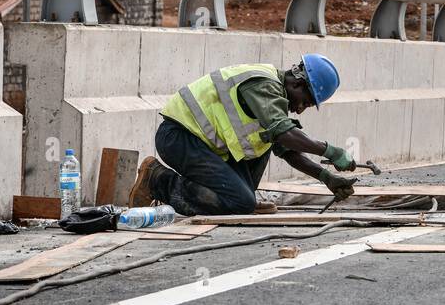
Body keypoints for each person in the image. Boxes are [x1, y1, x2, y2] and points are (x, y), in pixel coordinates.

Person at [127, 55, 357, 216]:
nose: (299, 109)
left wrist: (326, 177)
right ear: (297, 83)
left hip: (201, 145)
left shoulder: (274, 100)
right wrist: (331, 151)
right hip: (180, 138)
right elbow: (286, 134)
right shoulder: (264, 85)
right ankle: (157, 180)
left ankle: (236, 199)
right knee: (240, 202)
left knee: (270, 142)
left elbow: (289, 151)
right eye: (305, 102)